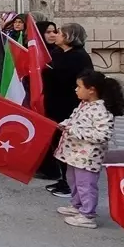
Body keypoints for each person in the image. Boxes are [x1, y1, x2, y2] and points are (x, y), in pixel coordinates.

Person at [54, 70, 124, 229]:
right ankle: (77, 205)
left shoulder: (102, 110)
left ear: (91, 89)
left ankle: (88, 214)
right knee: (73, 181)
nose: (76, 89)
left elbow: (103, 135)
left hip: (87, 157)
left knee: (86, 184)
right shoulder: (84, 104)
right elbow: (75, 120)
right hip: (73, 154)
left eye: (79, 86)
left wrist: (74, 131)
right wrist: (66, 124)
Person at [41, 23, 93, 198]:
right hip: (54, 104)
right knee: (59, 144)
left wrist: (47, 73)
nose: (56, 35)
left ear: (69, 37)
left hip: (69, 106)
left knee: (68, 144)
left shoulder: (79, 57)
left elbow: (70, 80)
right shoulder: (57, 53)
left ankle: (71, 185)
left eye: (59, 33)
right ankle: (64, 179)